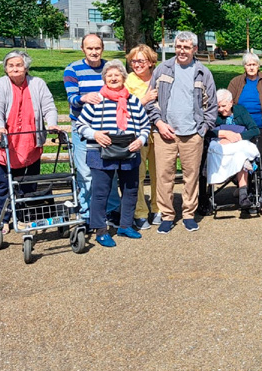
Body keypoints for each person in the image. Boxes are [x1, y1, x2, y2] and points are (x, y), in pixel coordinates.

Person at [145, 31, 217, 233]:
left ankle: (188, 214)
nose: (182, 51)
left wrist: (202, 129)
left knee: (191, 177)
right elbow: (150, 101)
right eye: (178, 46)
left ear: (194, 49)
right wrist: (159, 123)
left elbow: (211, 106)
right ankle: (167, 215)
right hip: (165, 133)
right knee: (164, 176)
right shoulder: (162, 69)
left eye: (186, 47)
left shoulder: (203, 72)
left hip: (192, 134)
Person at [74, 60, 151, 247]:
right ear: (104, 79)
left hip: (129, 150)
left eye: (117, 75)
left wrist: (141, 140)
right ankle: (101, 231)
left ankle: (125, 225)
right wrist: (95, 134)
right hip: (100, 151)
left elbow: (145, 125)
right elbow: (80, 125)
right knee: (101, 192)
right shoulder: (96, 100)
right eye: (109, 75)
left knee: (130, 190)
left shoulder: (133, 101)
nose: (114, 78)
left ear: (124, 78)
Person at [0, 51, 58, 233]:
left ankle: (24, 216)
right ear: (5, 68)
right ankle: (3, 219)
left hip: (30, 141)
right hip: (5, 141)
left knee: (29, 183)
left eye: (19, 65)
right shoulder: (0, 85)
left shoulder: (38, 83)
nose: (15, 69)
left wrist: (52, 124)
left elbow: (49, 106)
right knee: (3, 183)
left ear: (26, 67)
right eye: (10, 65)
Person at [64, 34, 113, 221]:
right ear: (83, 49)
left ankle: (110, 210)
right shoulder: (72, 70)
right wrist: (83, 98)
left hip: (107, 126)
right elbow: (71, 98)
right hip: (82, 126)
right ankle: (85, 212)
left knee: (110, 171)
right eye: (90, 48)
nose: (94, 52)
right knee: (85, 172)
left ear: (102, 49)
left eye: (97, 48)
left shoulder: (109, 68)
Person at [227, 52, 262, 173]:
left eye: (254, 64)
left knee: (259, 153)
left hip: (261, 124)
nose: (251, 67)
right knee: (241, 155)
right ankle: (243, 182)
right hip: (241, 125)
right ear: (244, 66)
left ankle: (260, 181)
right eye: (248, 65)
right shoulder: (236, 81)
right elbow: (227, 101)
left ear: (258, 66)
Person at [124, 44, 159, 230]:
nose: (136, 64)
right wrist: (144, 100)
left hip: (159, 132)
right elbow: (123, 108)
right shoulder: (128, 81)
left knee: (159, 172)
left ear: (151, 62)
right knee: (138, 173)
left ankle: (158, 207)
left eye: (140, 61)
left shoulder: (159, 78)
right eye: (133, 61)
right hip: (137, 134)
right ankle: (140, 212)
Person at [208, 89, 260, 210]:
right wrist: (223, 135)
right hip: (221, 148)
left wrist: (238, 137)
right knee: (214, 151)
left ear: (231, 102)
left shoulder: (240, 111)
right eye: (218, 106)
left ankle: (243, 196)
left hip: (238, 144)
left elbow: (255, 130)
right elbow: (206, 131)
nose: (220, 109)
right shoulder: (213, 114)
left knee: (241, 156)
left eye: (223, 106)